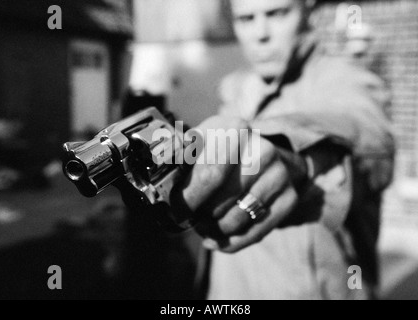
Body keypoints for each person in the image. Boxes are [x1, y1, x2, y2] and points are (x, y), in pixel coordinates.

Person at [169, 0, 395, 300]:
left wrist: (295, 160)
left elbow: (369, 144)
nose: (261, 33)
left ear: (306, 9)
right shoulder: (235, 87)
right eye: (246, 19)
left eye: (276, 13)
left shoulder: (345, 79)